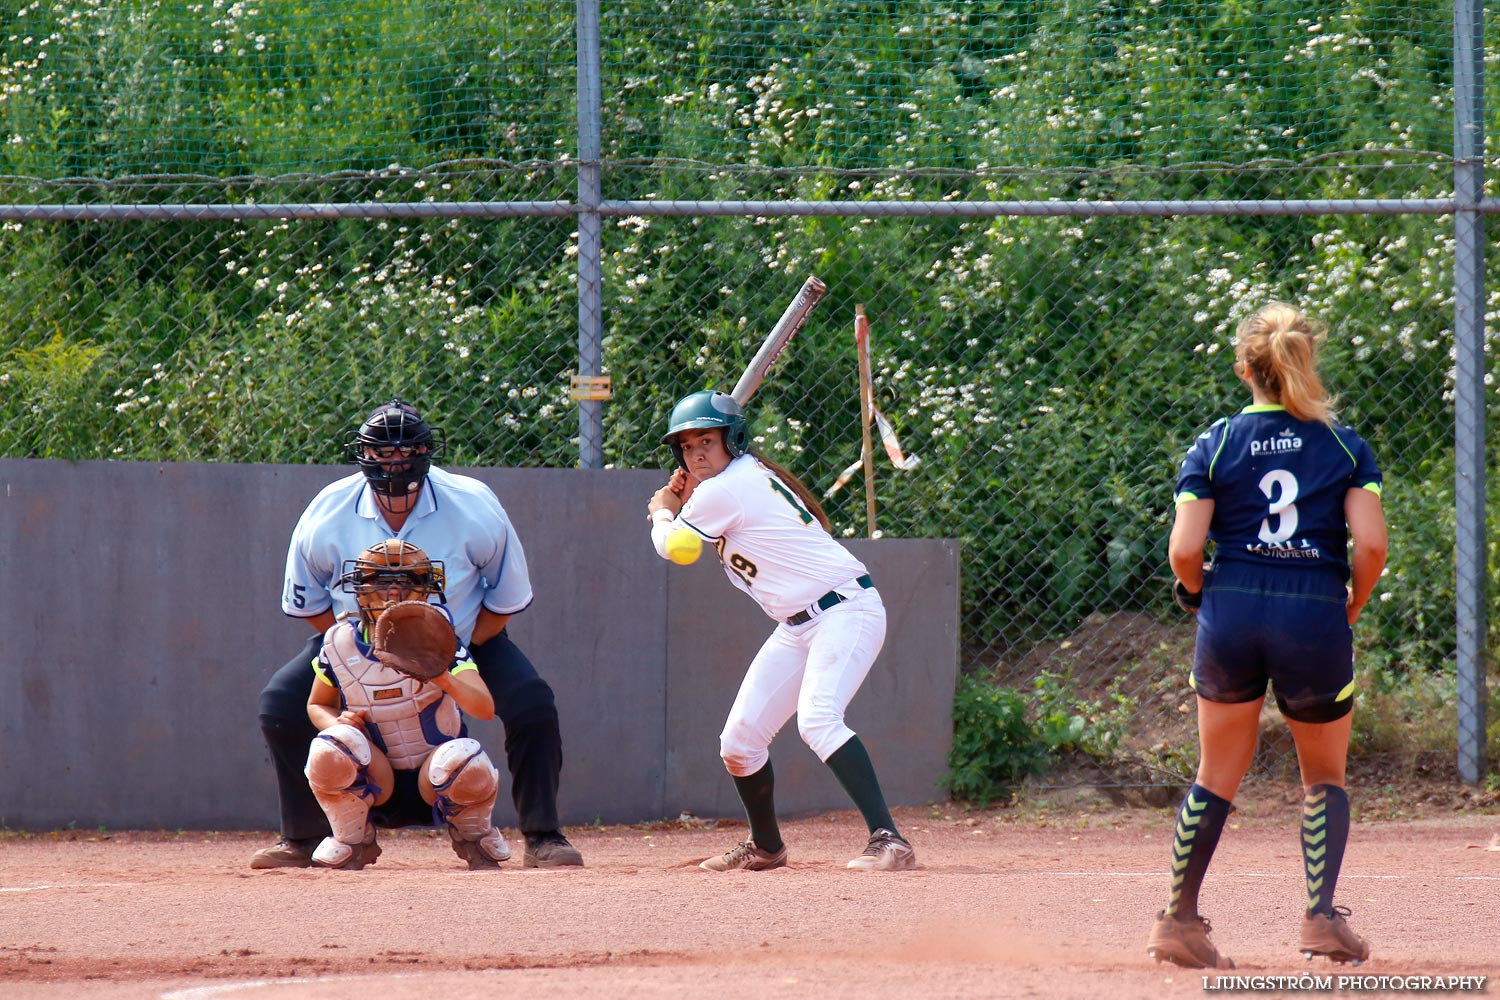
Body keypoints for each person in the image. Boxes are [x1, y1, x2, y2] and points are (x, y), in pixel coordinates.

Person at [1146, 303, 1387, 969]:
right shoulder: (1343, 445)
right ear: (1303, 362)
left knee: (1216, 773)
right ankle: (1319, 919)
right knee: (1323, 775)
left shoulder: (1215, 443)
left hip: (1233, 610)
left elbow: (1186, 548)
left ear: (1243, 369)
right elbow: (1370, 543)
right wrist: (1353, 602)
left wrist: (1198, 596)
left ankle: (1179, 921)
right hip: (1311, 610)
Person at [252, 398, 583, 870]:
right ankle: (302, 838)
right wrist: (358, 655)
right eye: (383, 454)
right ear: (364, 456)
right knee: (280, 705)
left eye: (406, 453)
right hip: (356, 638)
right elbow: (312, 605)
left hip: (455, 641)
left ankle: (544, 836)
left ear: (426, 453)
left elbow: (504, 601)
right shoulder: (327, 510)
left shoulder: (472, 504)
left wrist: (446, 653)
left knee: (532, 703)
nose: (395, 464)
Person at [646, 389, 916, 872]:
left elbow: (679, 549)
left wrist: (663, 509)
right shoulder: (730, 483)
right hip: (797, 625)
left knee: (818, 720)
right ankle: (767, 846)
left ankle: (890, 839)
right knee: (739, 742)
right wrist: (688, 500)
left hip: (844, 609)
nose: (697, 453)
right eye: (687, 446)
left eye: (707, 440)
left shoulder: (725, 488)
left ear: (734, 440)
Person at [304, 539, 510, 870]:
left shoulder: (440, 641)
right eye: (381, 582)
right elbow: (317, 705)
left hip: (435, 776)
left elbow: (484, 708)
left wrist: (443, 678)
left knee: (466, 759)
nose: (394, 593)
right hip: (375, 778)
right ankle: (354, 840)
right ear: (360, 588)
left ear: (425, 588)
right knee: (330, 748)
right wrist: (336, 722)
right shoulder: (339, 644)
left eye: (407, 582)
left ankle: (474, 837)